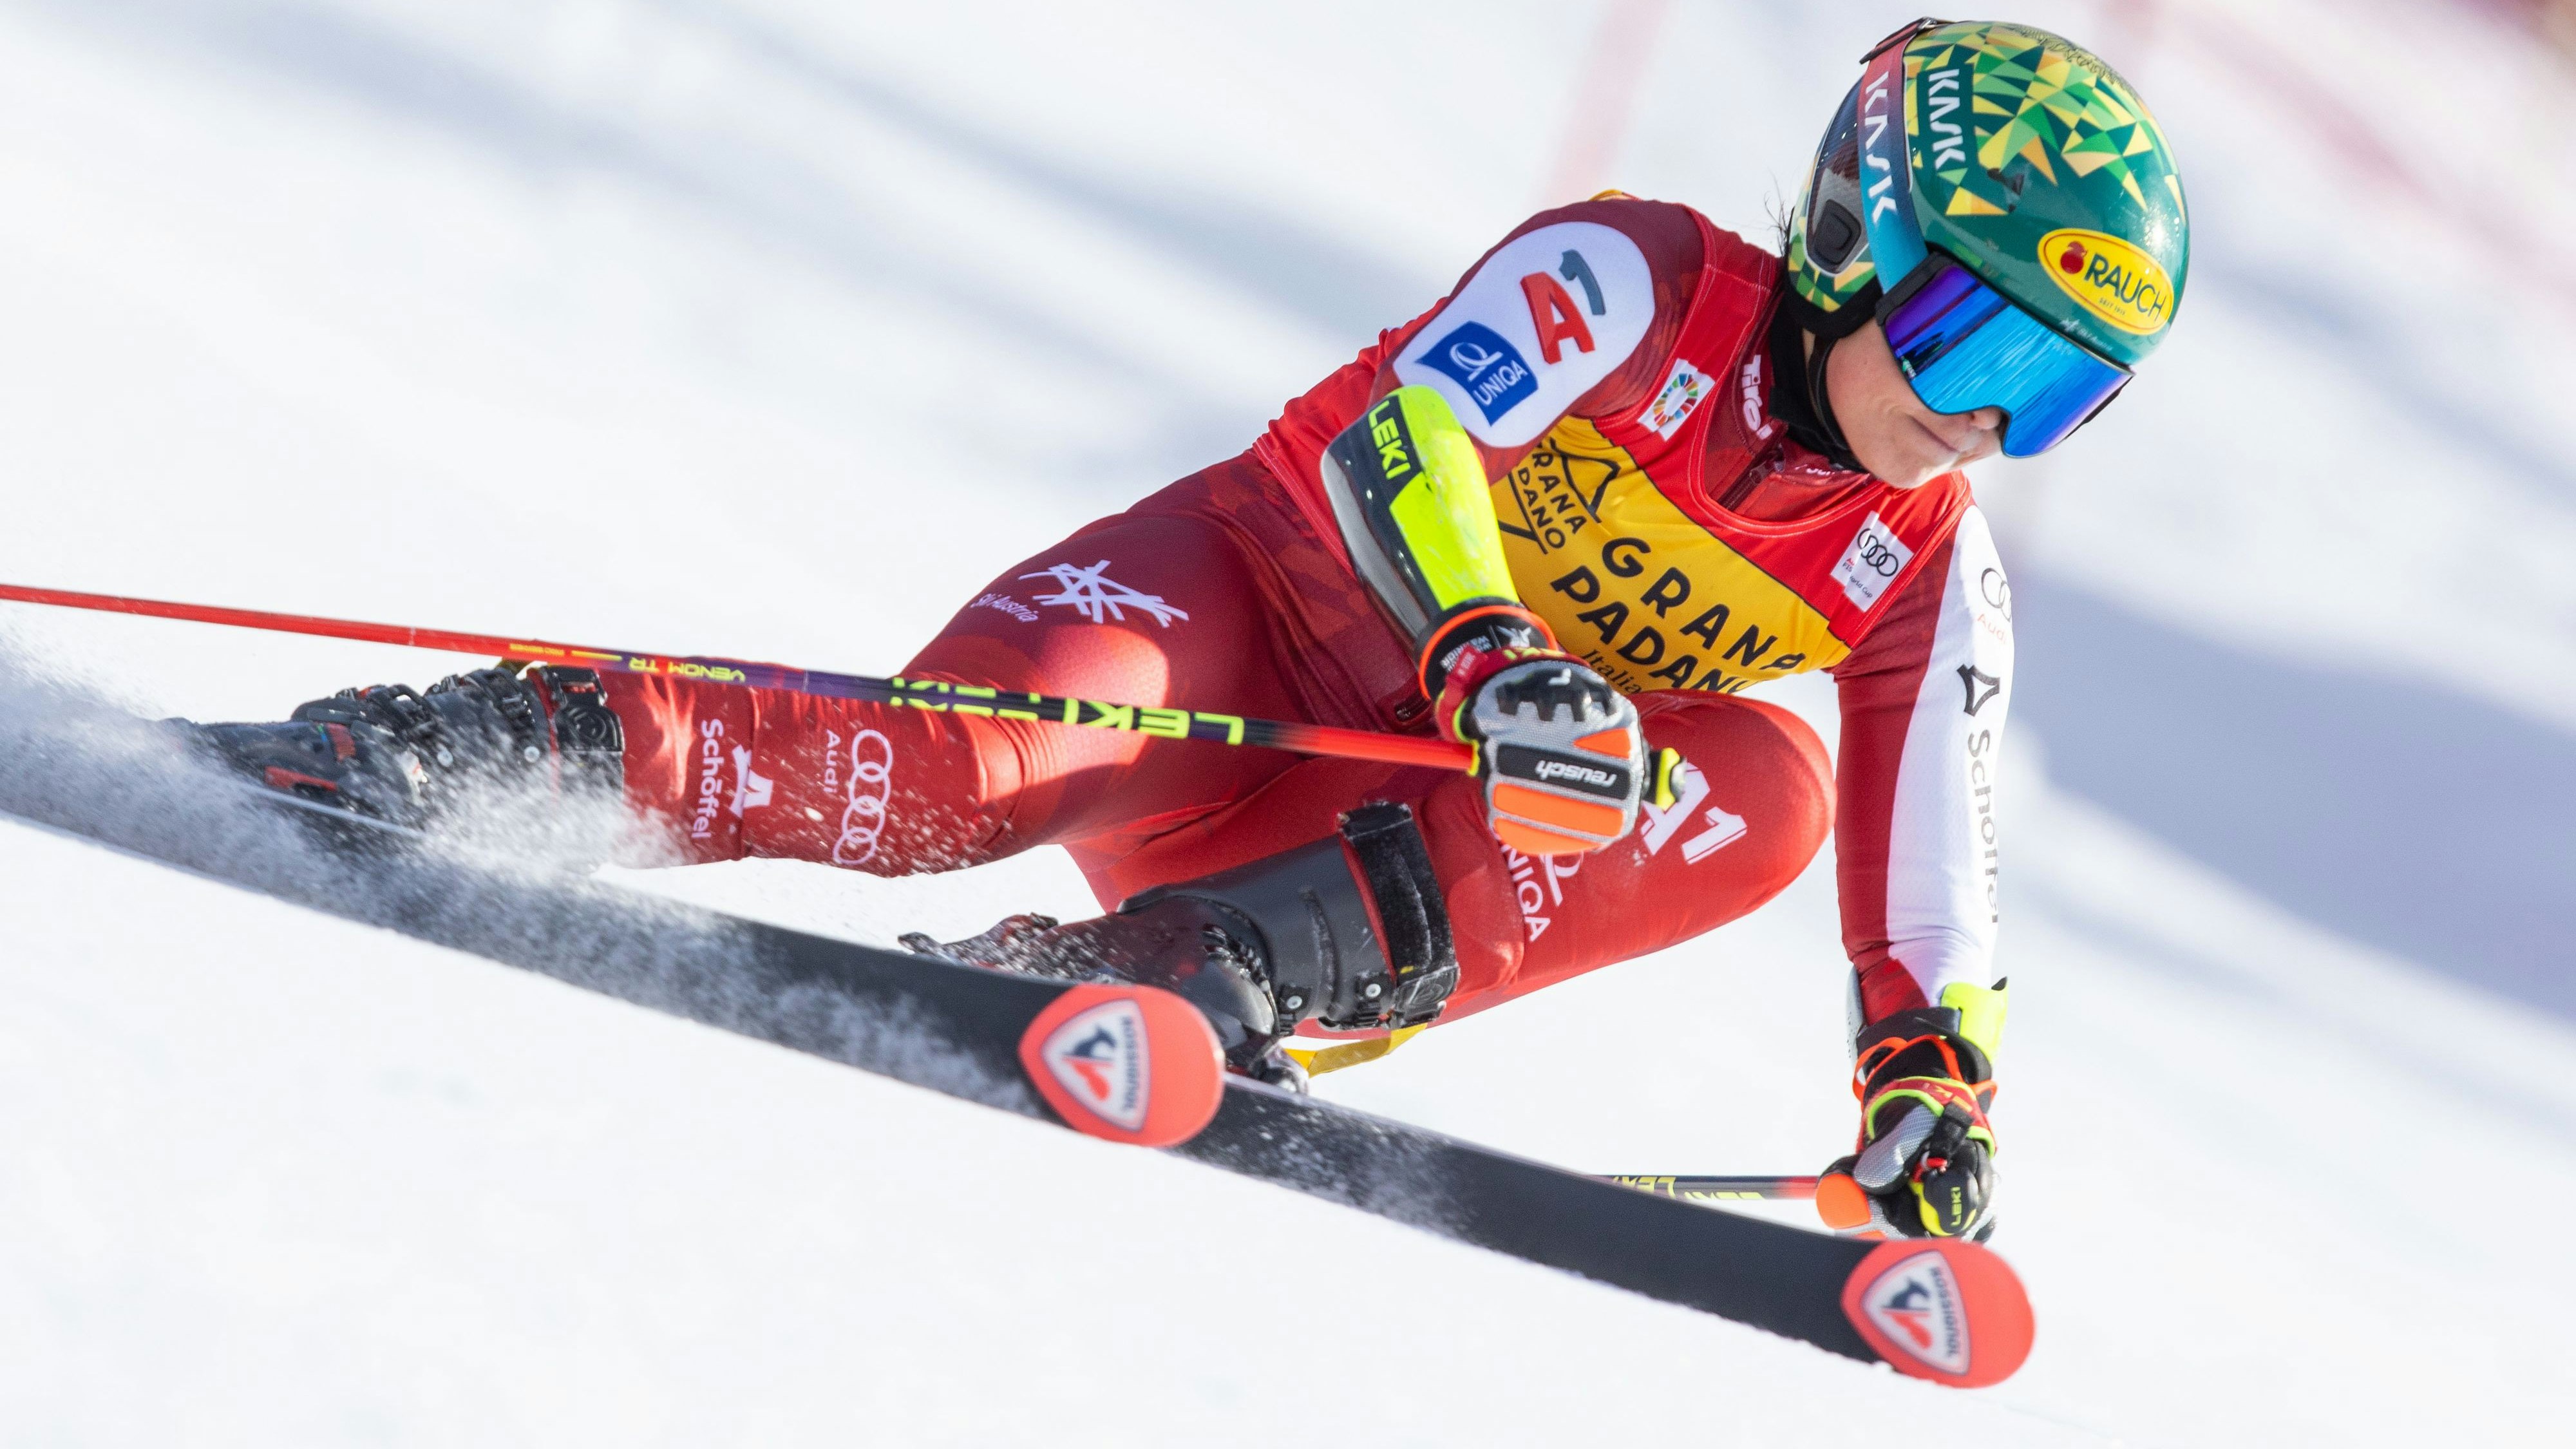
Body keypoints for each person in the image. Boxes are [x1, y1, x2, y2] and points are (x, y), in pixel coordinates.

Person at [190, 19, 2186, 1242]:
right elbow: (1409, 435)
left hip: (1359, 841)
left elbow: (1935, 868)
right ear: (1855, 231)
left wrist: (1935, 1084)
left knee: (1756, 784)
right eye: (1968, 328)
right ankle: (451, 751)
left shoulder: (1932, 560)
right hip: (1226, 638)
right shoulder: (1635, 276)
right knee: (955, 779)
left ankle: (1194, 972)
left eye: (2062, 392)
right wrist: (1490, 641)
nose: (1983, 415)